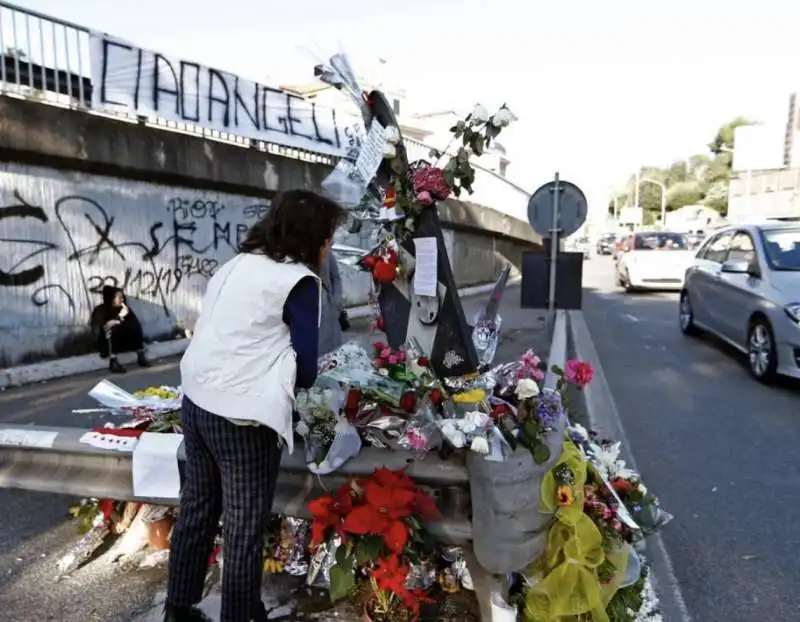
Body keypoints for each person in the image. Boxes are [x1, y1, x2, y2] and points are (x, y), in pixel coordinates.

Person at [164, 190, 346, 622]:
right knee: (244, 527)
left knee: (197, 510)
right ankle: (241, 615)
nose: (330, 247)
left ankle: (178, 608)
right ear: (311, 237)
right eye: (328, 238)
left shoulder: (237, 263)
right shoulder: (299, 283)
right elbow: (305, 367)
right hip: (240, 418)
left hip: (197, 400)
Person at [90, 286, 150, 374]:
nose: (122, 299)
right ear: (111, 298)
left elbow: (135, 325)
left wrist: (118, 319)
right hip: (106, 342)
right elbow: (104, 327)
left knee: (134, 325)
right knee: (114, 328)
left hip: (124, 342)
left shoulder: (124, 309)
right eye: (119, 297)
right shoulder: (101, 310)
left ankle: (141, 355)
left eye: (122, 297)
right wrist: (119, 318)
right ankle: (113, 363)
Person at [318, 252, 349, 355]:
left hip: (330, 312)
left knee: (334, 358)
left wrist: (337, 302)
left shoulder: (326, 252)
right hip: (309, 317)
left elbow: (335, 277)